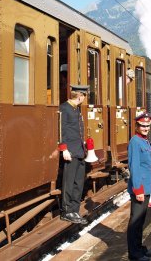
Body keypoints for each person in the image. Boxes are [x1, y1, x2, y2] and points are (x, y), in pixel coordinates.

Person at [58, 84, 89, 225]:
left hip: (79, 151)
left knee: (78, 182)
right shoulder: (64, 108)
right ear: (80, 96)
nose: (84, 98)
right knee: (68, 183)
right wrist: (64, 149)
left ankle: (74, 209)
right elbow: (61, 130)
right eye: (84, 96)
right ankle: (66, 211)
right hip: (70, 151)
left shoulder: (76, 109)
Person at [127, 112, 151, 261]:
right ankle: (134, 253)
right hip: (140, 189)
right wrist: (138, 190)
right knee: (135, 222)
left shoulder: (144, 140)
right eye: (143, 126)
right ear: (137, 126)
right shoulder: (135, 142)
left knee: (141, 221)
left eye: (148, 126)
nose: (146, 128)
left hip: (146, 187)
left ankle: (139, 248)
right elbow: (135, 167)